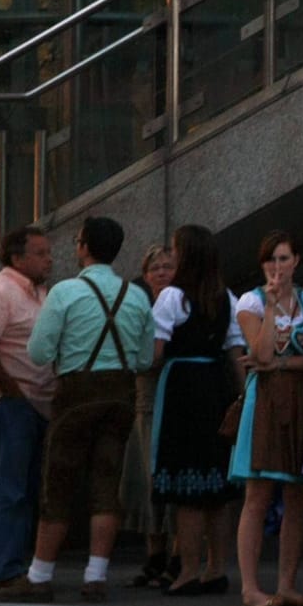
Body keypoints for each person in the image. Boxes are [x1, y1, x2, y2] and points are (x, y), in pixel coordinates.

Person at [1, 217, 153, 604]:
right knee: (107, 483)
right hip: (120, 395)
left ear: (84, 247)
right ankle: (96, 575)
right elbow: (144, 357)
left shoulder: (66, 292)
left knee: (59, 483)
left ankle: (39, 576)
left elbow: (38, 352)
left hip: (76, 393)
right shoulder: (135, 295)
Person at [230, 231, 303, 606]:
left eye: (284, 259)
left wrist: (284, 363)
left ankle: (287, 583)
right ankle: (250, 588)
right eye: (271, 260)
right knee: (257, 495)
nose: (277, 267)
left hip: (302, 398)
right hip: (265, 400)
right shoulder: (250, 301)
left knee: (297, 495)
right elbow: (261, 352)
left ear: (296, 261)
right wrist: (270, 308)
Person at [148, 225, 242, 596]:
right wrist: (241, 396)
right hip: (216, 385)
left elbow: (156, 352)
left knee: (186, 490)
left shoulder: (172, 297)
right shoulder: (226, 296)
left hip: (183, 388)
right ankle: (216, 568)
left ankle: (188, 570)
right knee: (216, 489)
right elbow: (235, 353)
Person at [0, 226, 55, 596]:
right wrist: (11, 390)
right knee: (12, 487)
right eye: (40, 253)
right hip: (12, 402)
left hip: (38, 402)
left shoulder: (42, 294)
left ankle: (19, 568)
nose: (48, 259)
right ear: (17, 258)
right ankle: (5, 570)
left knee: (28, 487)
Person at [118, 244, 174, 588]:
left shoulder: (182, 306)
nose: (162, 273)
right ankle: (154, 556)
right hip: (144, 399)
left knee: (172, 480)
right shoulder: (138, 308)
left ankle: (179, 557)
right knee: (145, 480)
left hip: (172, 396)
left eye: (168, 267)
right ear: (145, 274)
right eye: (156, 268)